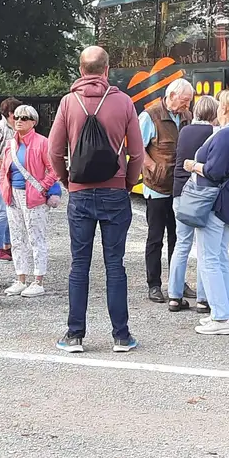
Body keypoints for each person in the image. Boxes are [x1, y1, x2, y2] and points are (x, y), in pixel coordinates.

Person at [48, 46, 145, 354]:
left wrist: (66, 180)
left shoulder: (67, 103)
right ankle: (121, 335)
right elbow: (138, 153)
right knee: (115, 264)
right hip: (115, 192)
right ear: (106, 70)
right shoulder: (123, 102)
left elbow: (54, 151)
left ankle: (75, 334)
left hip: (80, 193)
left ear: (80, 70)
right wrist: (127, 182)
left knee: (80, 264)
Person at [179, 89, 229, 336]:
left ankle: (220, 317)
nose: (217, 109)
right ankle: (222, 313)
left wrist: (193, 165)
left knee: (210, 260)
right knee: (219, 259)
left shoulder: (225, 136)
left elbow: (214, 171)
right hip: (227, 203)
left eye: (221, 105)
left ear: (226, 109)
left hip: (213, 204)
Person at [140, 78, 194, 304]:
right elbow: (136, 148)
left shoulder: (187, 117)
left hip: (180, 188)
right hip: (157, 188)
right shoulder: (149, 116)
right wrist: (154, 168)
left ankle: (177, 282)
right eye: (184, 101)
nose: (187, 106)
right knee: (155, 238)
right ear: (171, 96)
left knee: (179, 238)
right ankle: (154, 285)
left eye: (189, 102)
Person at [0, 103, 58, 297]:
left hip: (33, 196)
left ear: (33, 122)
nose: (19, 121)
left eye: (24, 118)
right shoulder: (10, 144)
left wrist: (42, 187)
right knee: (16, 238)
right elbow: (3, 170)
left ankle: (38, 279)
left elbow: (54, 169)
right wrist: (3, 188)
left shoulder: (43, 142)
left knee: (36, 237)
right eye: (16, 117)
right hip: (13, 194)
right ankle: (20, 278)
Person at [165, 94, 216, 311]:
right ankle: (204, 299)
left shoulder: (184, 131)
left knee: (181, 243)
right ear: (214, 113)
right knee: (204, 247)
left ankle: (174, 296)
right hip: (203, 194)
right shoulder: (214, 133)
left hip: (180, 192)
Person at [0, 97, 20, 275]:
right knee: (1, 211)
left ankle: (7, 244)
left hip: (11, 173)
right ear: (10, 114)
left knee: (11, 209)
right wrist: (0, 167)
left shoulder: (12, 128)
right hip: (1, 174)